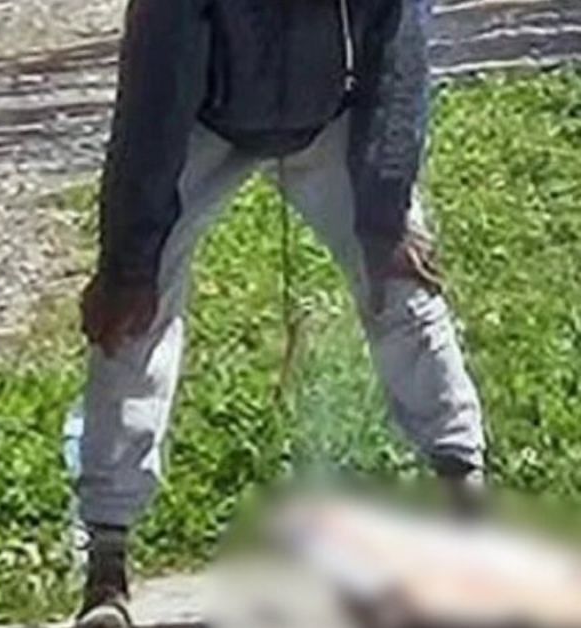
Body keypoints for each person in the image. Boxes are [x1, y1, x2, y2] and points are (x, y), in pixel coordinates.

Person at [74, 1, 485, 626]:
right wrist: (129, 264)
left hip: (334, 115)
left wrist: (385, 214)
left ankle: (465, 499)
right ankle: (107, 565)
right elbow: (154, 99)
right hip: (205, 119)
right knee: (130, 314)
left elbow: (397, 60)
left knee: (402, 281)